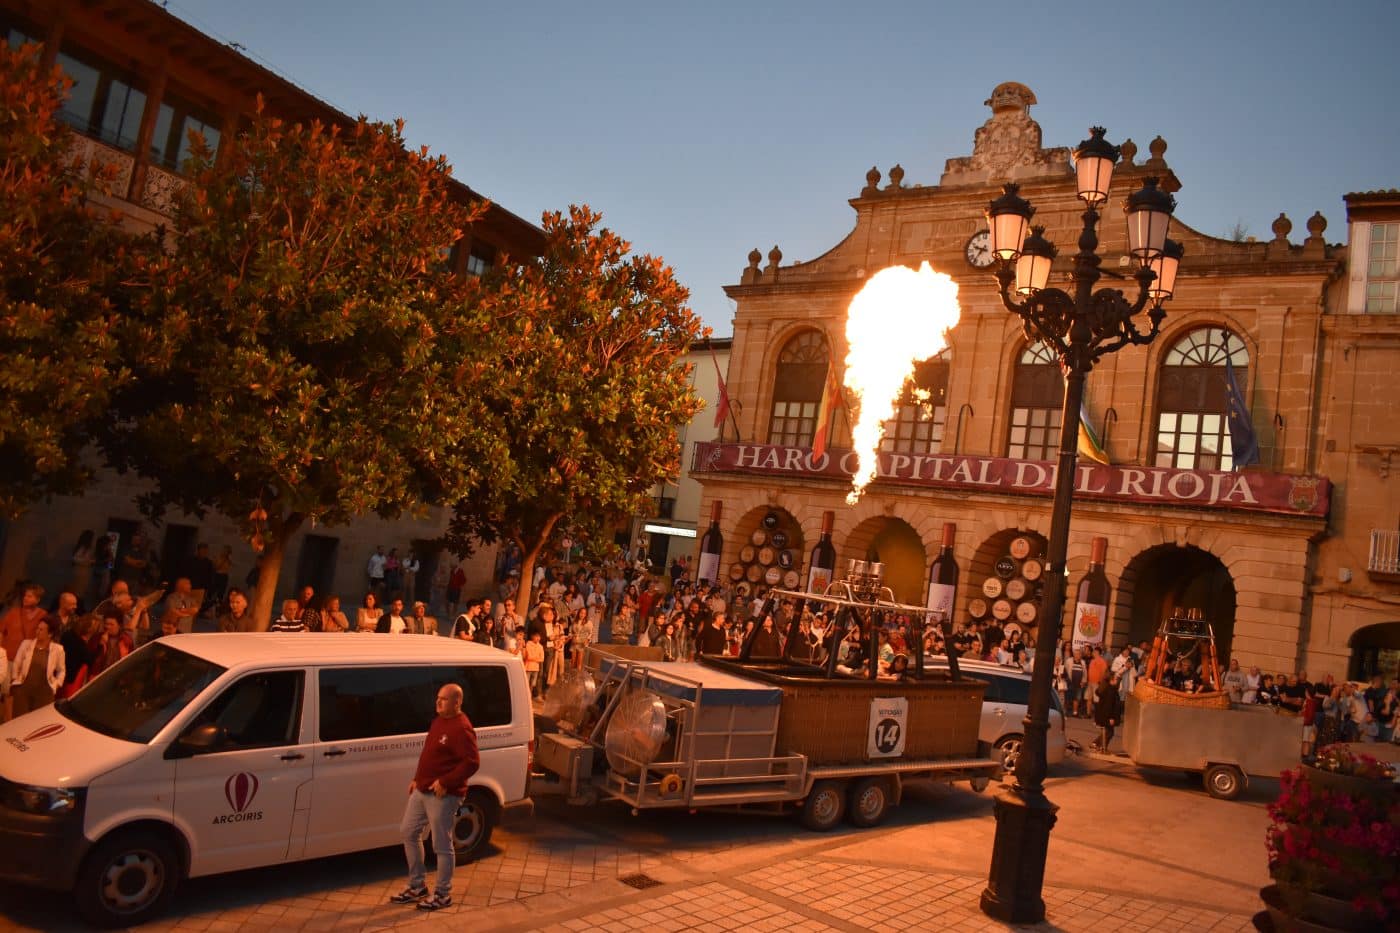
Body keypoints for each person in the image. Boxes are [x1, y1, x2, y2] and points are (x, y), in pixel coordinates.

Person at [391, 683, 480, 912]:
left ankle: (442, 894)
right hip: (422, 789)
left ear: (457, 702)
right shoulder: (439, 720)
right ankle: (417, 886)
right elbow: (429, 756)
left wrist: (445, 782)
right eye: (437, 698)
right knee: (408, 831)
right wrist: (417, 778)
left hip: (443, 794)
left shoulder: (462, 728)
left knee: (441, 845)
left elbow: (471, 762)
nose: (438, 702)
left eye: (444, 699)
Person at [11, 618, 65, 717]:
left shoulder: (58, 650)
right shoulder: (26, 644)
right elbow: (16, 663)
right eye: (37, 628)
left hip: (44, 693)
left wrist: (56, 684)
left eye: (41, 630)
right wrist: (15, 679)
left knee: (37, 720)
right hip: (24, 690)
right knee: (19, 719)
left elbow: (61, 671)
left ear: (50, 634)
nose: (37, 631)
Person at [87, 609, 132, 677]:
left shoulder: (126, 640)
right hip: (98, 676)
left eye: (111, 624)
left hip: (119, 676)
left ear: (119, 625)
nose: (107, 627)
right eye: (106, 624)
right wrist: (100, 645)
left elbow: (129, 661)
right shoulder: (96, 638)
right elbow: (90, 659)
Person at [1094, 672, 1123, 751]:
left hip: (1104, 715)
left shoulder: (1108, 688)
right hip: (1106, 716)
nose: (1117, 681)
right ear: (1111, 680)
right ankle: (1100, 746)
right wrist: (1110, 717)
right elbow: (1108, 706)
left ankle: (1098, 745)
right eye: (1116, 679)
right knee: (1109, 732)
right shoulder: (1110, 691)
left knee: (1108, 732)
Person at [69, 530, 96, 604]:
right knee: (78, 591)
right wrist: (88, 561)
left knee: (80, 591)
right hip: (80, 572)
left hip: (82, 571)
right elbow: (75, 558)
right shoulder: (84, 548)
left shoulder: (86, 548)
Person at [523, 631, 545, 697]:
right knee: (526, 683)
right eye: (536, 636)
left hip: (536, 668)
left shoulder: (540, 646)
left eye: (539, 636)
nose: (538, 638)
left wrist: (534, 657)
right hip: (528, 667)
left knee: (532, 684)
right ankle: (525, 696)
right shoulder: (528, 644)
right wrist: (536, 657)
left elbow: (542, 659)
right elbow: (529, 656)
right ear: (532, 637)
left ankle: (529, 696)